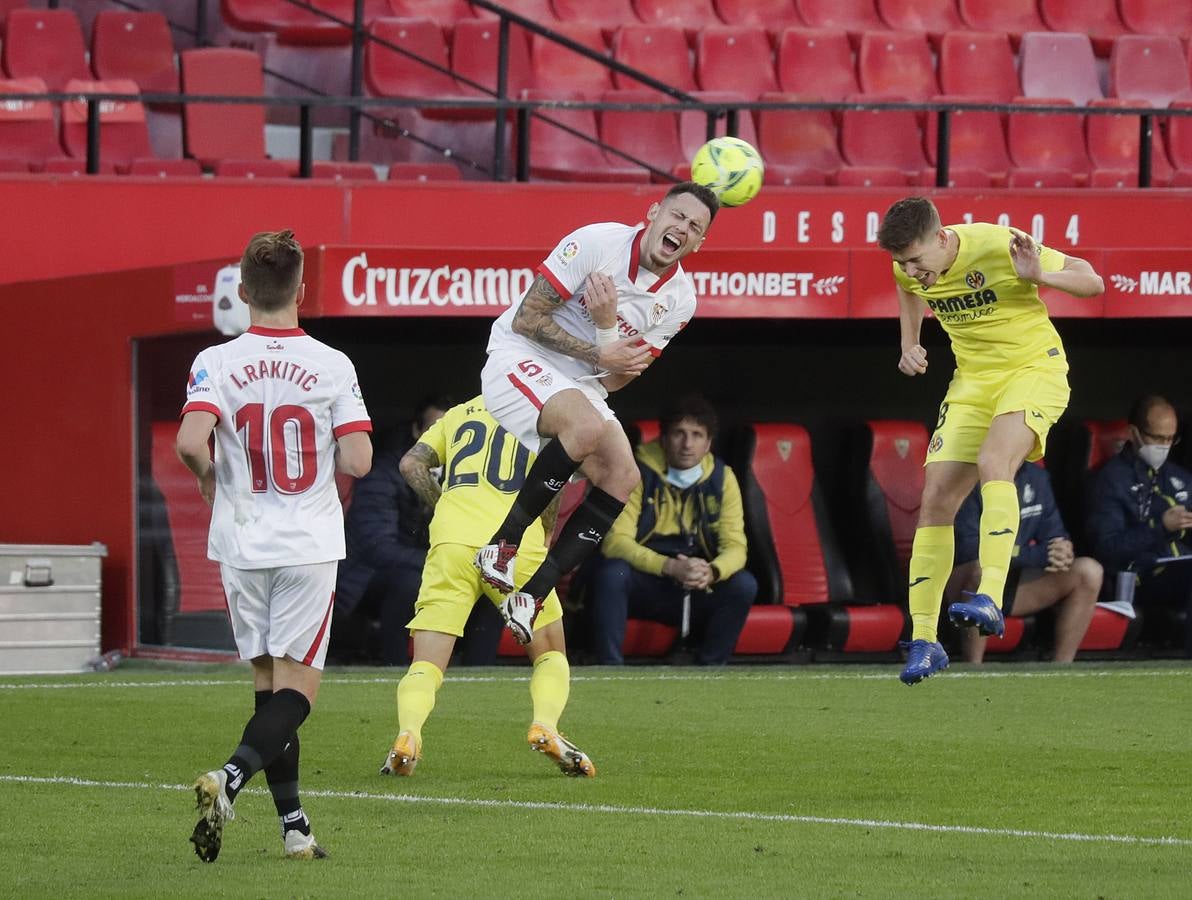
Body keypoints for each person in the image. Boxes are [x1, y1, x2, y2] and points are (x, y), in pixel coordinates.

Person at [175, 230, 373, 862]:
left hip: (239, 542)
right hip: (307, 542)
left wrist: (210, 477)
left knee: (267, 686)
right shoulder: (332, 364)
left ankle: (295, 830)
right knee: (297, 693)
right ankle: (229, 778)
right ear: (302, 291)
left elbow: (188, 441)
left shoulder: (215, 361)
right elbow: (361, 460)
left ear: (242, 291)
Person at [473, 182, 720, 646]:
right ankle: (501, 546)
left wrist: (606, 332)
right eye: (677, 216)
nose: (681, 228)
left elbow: (616, 376)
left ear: (699, 243)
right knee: (584, 426)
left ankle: (531, 596)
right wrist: (600, 348)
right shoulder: (596, 242)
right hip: (518, 354)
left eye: (694, 227)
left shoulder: (681, 300)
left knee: (624, 477)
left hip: (581, 381)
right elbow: (527, 318)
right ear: (653, 213)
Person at [877, 196, 1104, 685]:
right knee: (935, 499)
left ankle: (990, 597)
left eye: (917, 259)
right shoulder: (908, 269)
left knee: (994, 461)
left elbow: (1093, 281)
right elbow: (909, 295)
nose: (912, 271)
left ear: (941, 238)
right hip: (973, 382)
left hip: (1033, 369)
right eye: (902, 263)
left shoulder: (999, 244)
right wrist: (909, 343)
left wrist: (1040, 274)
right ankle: (924, 640)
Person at [380, 395, 594, 778]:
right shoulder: (542, 414)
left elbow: (411, 463)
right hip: (514, 547)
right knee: (549, 654)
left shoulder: (459, 414)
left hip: (452, 543)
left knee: (426, 663)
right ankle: (545, 723)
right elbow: (553, 478)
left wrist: (443, 503)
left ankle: (408, 735)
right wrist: (545, 530)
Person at [591, 394, 756, 665]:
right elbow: (615, 542)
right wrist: (669, 566)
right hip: (645, 581)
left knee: (743, 584)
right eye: (679, 434)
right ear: (664, 438)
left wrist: (712, 571)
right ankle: (610, 667)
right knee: (611, 573)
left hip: (694, 583)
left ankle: (711, 670)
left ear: (708, 443)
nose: (687, 444)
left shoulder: (722, 477)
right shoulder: (635, 470)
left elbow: (736, 547)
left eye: (696, 435)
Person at [333, 396, 460, 666]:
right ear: (417, 431)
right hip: (365, 579)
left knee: (485, 579)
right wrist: (440, 563)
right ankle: (396, 667)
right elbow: (377, 547)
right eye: (434, 429)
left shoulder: (464, 472)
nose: (444, 438)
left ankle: (478, 673)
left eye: (452, 431)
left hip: (427, 566)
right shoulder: (387, 469)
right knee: (410, 582)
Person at [946, 463, 1102, 663]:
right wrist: (1036, 555)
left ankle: (1062, 668)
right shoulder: (969, 477)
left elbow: (1054, 535)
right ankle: (972, 668)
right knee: (982, 571)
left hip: (1013, 580)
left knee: (1089, 571)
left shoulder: (1036, 477)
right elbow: (969, 548)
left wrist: (1062, 551)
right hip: (960, 585)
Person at [1088, 394, 1192, 655]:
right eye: (1158, 438)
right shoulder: (1110, 479)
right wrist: (1160, 527)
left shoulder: (1178, 477)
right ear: (1133, 432)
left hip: (1179, 570)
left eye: (1170, 439)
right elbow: (1107, 548)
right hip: (1135, 577)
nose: (1164, 446)